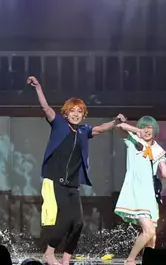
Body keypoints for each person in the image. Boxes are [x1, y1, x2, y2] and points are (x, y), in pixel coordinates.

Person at [26, 76, 125, 265]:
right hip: (56, 180)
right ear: (65, 113)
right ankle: (49, 253)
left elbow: (100, 129)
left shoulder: (83, 131)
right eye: (72, 111)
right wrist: (38, 87)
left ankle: (66, 259)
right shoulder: (58, 123)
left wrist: (114, 122)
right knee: (64, 220)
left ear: (83, 115)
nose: (76, 114)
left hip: (72, 184)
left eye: (80, 111)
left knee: (78, 223)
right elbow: (46, 108)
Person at [114, 116, 166, 264]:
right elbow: (120, 127)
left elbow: (165, 173)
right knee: (149, 231)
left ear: (155, 130)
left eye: (149, 127)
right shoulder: (133, 140)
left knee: (152, 237)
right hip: (135, 191)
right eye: (143, 127)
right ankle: (130, 260)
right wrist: (137, 130)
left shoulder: (158, 150)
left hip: (149, 195)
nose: (146, 130)